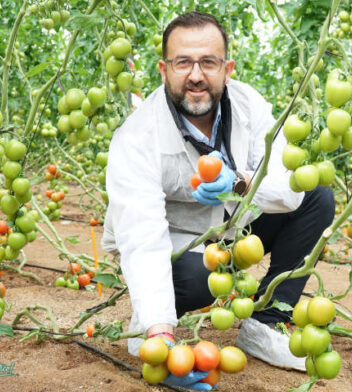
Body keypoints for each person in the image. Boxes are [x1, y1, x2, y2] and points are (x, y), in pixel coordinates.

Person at [102, 10, 335, 382]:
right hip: (178, 247)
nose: (195, 75)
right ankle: (151, 318)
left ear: (227, 70)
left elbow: (288, 186)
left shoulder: (249, 106)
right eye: (183, 63)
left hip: (233, 230)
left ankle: (267, 322)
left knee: (316, 197)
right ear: (164, 70)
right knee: (200, 278)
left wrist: (241, 183)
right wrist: (160, 340)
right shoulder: (136, 138)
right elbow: (142, 237)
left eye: (208, 62)